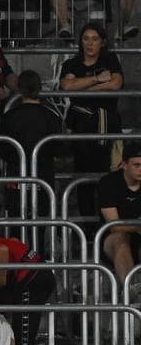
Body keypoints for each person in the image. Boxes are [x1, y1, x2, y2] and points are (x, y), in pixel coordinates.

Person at [60, 22, 122, 220]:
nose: (90, 43)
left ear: (102, 42)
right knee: (83, 177)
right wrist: (97, 79)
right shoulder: (72, 64)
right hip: (81, 127)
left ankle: (106, 226)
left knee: (108, 176)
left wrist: (83, 88)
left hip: (107, 125)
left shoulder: (110, 60)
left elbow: (115, 84)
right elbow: (67, 86)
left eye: (95, 39)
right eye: (86, 38)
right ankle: (87, 228)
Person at [0, 70, 61, 219]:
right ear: (39, 88)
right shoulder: (52, 116)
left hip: (16, 173)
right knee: (40, 219)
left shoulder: (9, 116)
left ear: (19, 89)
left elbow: (2, 150)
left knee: (15, 220)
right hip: (43, 174)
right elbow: (59, 149)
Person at [97, 141, 141, 286]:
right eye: (136, 165)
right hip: (112, 241)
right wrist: (136, 226)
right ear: (124, 165)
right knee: (120, 239)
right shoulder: (109, 183)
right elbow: (114, 227)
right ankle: (131, 291)